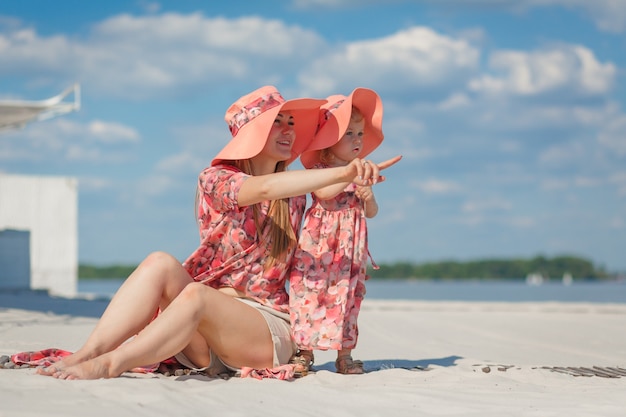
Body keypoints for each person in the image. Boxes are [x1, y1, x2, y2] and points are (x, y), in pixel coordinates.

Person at [36, 85, 401, 380]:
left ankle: (111, 365)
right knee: (160, 262)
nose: (289, 130)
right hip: (204, 327)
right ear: (252, 133)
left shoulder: (295, 192)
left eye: (291, 123)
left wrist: (346, 172)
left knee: (196, 295)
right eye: (278, 122)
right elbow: (260, 190)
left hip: (264, 327)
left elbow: (317, 196)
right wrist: (344, 173)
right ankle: (89, 352)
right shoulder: (216, 179)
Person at [288, 88, 387, 375]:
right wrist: (347, 177)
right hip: (320, 243)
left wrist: (369, 198)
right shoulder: (322, 168)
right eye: (349, 134)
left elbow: (371, 212)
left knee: (348, 294)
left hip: (349, 247)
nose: (357, 140)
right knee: (310, 291)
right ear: (329, 142)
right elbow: (323, 191)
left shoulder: (360, 170)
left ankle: (344, 355)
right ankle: (304, 351)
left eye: (359, 134)